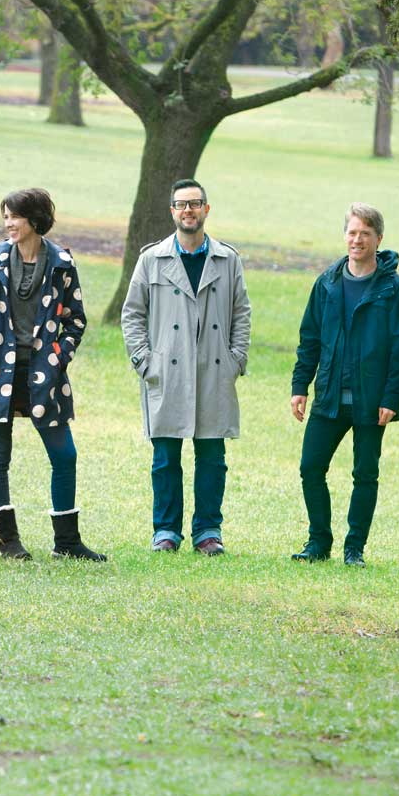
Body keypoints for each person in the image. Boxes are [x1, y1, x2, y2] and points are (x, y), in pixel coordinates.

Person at [0, 188, 106, 561]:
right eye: (5, 216)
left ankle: (67, 543)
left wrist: (58, 357)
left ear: (34, 220)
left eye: (15, 217)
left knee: (64, 455)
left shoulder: (61, 262)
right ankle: (9, 541)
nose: (8, 223)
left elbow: (76, 321)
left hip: (44, 373)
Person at [121, 178, 251, 555]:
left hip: (213, 370)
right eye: (181, 205)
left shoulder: (227, 259)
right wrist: (144, 361)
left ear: (206, 210)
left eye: (195, 204)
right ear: (172, 212)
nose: (188, 211)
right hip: (167, 370)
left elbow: (241, 311)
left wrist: (235, 359)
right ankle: (166, 531)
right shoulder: (152, 258)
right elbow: (132, 314)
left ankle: (208, 531)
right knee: (165, 458)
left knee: (212, 458)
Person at [291, 203, 399, 567]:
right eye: (352, 232)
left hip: (371, 400)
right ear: (344, 236)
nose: (357, 239)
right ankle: (318, 543)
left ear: (378, 238)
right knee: (311, 467)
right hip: (329, 396)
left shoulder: (393, 289)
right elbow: (310, 339)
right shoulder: (327, 283)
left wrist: (393, 396)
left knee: (365, 474)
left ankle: (354, 549)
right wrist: (301, 386)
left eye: (365, 233)